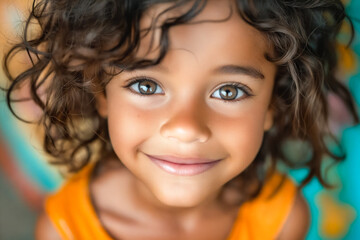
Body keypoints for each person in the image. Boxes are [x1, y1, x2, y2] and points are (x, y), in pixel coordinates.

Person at [3, 0, 359, 239]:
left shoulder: (282, 219)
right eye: (146, 85)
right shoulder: (66, 229)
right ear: (101, 94)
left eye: (229, 91)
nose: (186, 127)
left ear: (273, 105)